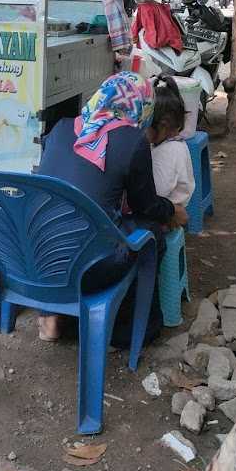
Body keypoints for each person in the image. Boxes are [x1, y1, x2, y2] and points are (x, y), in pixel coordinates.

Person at [36, 71, 188, 341]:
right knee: (151, 235)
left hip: (40, 260)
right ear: (142, 106)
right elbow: (147, 206)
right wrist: (172, 210)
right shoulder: (131, 141)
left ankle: (54, 316)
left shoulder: (60, 129)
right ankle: (124, 331)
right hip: (92, 265)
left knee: (70, 224)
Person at [148, 76, 195, 207]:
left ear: (163, 125)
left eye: (144, 124)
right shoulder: (168, 144)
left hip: (165, 217)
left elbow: (159, 191)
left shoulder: (169, 150)